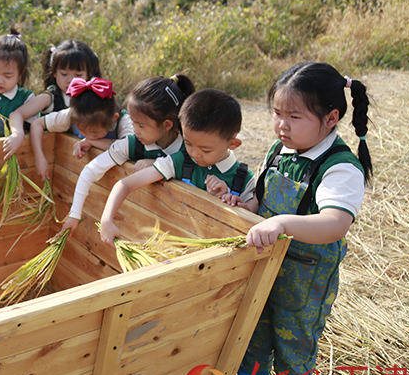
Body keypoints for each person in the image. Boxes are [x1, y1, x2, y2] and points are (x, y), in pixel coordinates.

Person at [216, 63, 372, 375]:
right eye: (277, 113)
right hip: (265, 266)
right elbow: (259, 195)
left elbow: (334, 223)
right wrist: (242, 202)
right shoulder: (278, 150)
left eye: (294, 116)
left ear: (331, 118)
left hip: (305, 279)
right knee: (253, 334)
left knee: (293, 347)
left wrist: (283, 222)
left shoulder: (340, 166)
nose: (282, 124)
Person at [99, 86, 256, 246]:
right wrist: (106, 219)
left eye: (205, 149)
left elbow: (251, 218)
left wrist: (232, 201)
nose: (195, 154)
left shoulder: (243, 179)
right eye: (188, 143)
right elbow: (125, 184)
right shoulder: (179, 161)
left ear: (233, 144)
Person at [61, 75, 193, 234]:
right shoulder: (131, 143)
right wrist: (75, 214)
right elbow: (90, 171)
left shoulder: (192, 150)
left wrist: (155, 162)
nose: (134, 130)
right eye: (133, 122)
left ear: (166, 125)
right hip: (139, 229)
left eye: (141, 125)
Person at [3, 39, 101, 159]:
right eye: (64, 74)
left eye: (78, 75)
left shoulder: (93, 97)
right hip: (51, 156)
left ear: (88, 74)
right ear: (54, 72)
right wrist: (17, 134)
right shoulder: (50, 97)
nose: (70, 80)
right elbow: (17, 114)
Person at [30, 77, 134, 182]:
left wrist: (91, 142)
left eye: (95, 132)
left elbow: (128, 148)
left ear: (113, 118)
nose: (88, 135)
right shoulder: (72, 114)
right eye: (81, 130)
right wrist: (39, 158)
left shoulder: (123, 120)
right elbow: (37, 124)